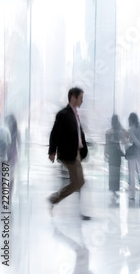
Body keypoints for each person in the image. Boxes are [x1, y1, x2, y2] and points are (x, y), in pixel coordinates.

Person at [48, 87, 90, 220]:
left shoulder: (75, 114)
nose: (82, 101)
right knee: (77, 182)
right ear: (73, 97)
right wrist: (52, 151)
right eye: (81, 98)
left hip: (76, 152)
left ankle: (54, 200)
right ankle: (53, 199)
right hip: (68, 153)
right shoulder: (64, 114)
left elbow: (79, 133)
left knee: (80, 182)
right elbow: (55, 133)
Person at [105, 115, 126, 201]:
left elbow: (106, 143)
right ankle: (115, 190)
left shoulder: (108, 132)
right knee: (117, 172)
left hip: (111, 153)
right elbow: (124, 142)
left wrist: (105, 153)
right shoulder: (119, 131)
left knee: (111, 172)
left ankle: (113, 190)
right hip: (117, 153)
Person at [5, 114, 20, 196]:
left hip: (5, 153)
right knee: (11, 176)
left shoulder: (6, 130)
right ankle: (9, 195)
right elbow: (19, 143)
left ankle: (3, 196)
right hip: (13, 154)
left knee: (3, 174)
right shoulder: (17, 131)